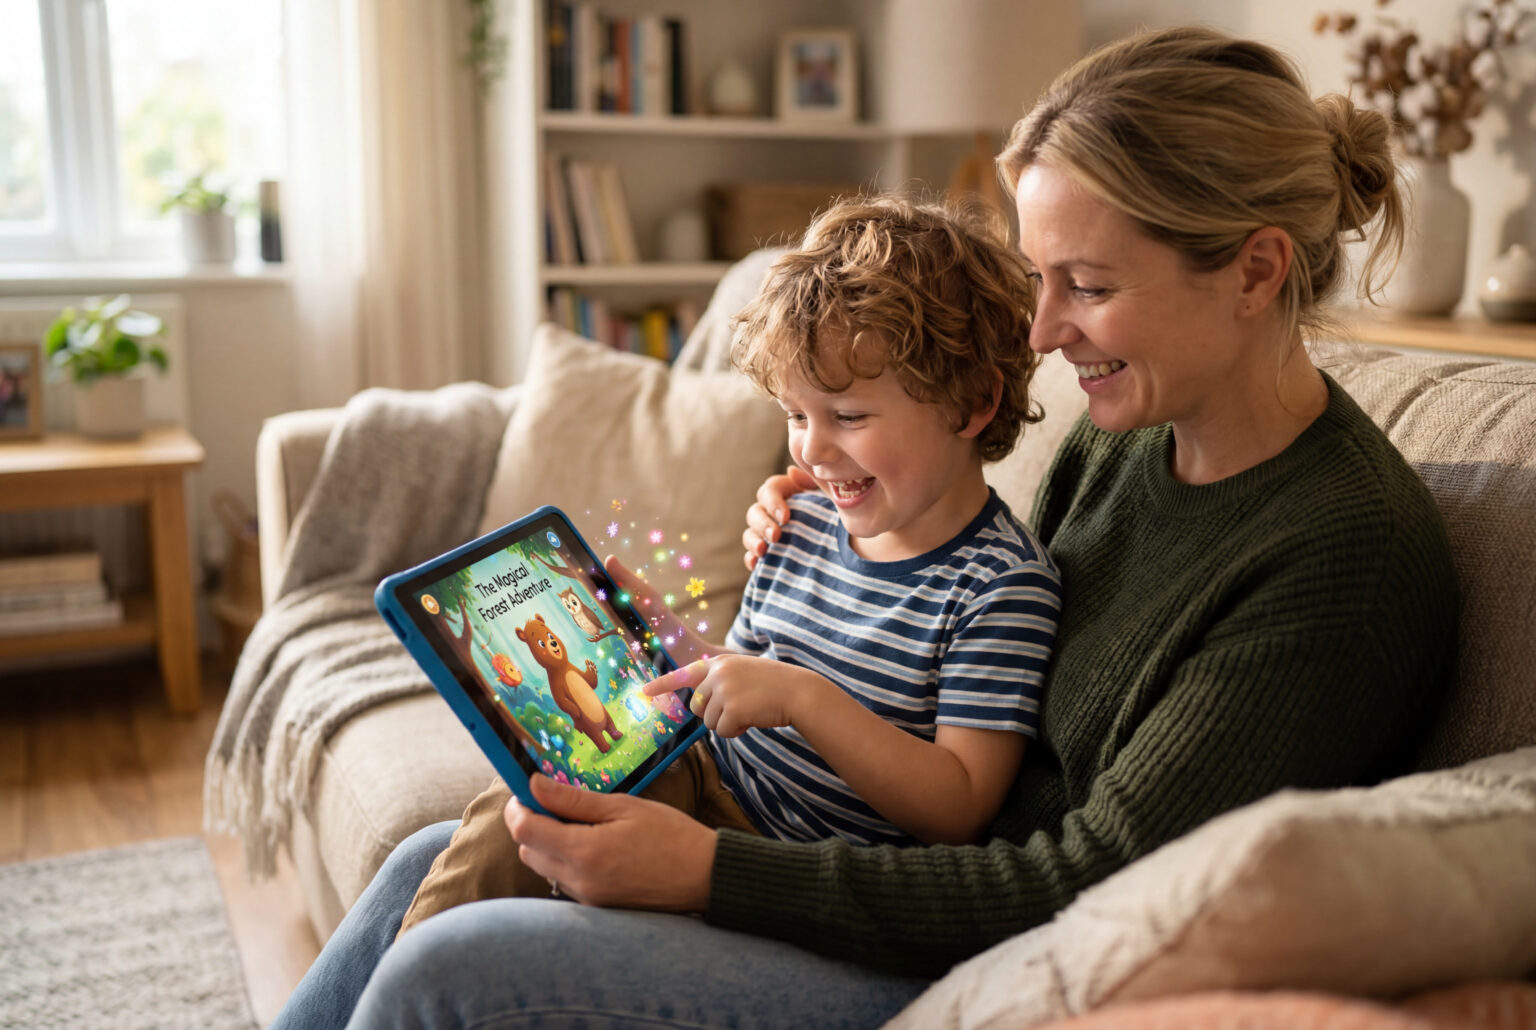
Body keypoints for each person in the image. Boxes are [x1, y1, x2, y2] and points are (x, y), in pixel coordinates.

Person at [269, 26, 1457, 1030]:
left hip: (967, 955)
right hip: (866, 875)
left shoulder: (1339, 557)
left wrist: (709, 868)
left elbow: (1081, 883)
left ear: (1254, 272)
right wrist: (838, 527)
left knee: (449, 967)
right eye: (1040, 278)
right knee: (431, 858)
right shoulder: (1129, 438)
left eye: (1088, 285)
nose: (1042, 332)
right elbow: (955, 589)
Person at [389, 193, 1063, 937]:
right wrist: (675, 646)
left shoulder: (1001, 587)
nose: (811, 450)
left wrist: (804, 699)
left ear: (971, 403)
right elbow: (741, 680)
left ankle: (419, 976)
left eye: (848, 417)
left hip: (774, 873)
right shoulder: (805, 519)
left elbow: (959, 805)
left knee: (508, 839)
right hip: (701, 778)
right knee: (491, 823)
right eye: (797, 415)